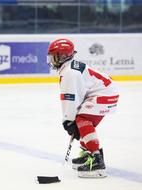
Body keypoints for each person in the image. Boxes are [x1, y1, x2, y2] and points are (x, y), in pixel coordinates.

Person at [47, 38, 119, 178]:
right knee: (82, 122)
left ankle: (97, 160)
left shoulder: (69, 73)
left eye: (54, 56)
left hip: (105, 93)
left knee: (82, 119)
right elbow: (76, 98)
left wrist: (68, 120)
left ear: (63, 56)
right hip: (104, 91)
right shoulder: (68, 68)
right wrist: (70, 120)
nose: (51, 60)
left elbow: (71, 98)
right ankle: (89, 153)